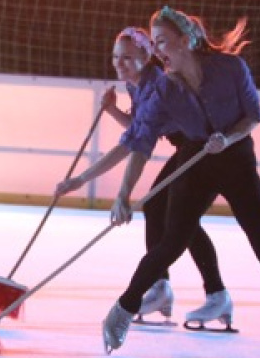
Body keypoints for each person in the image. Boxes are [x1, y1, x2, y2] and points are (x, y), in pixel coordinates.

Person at [77, 6, 260, 358]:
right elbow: (140, 141)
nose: (158, 51)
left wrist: (228, 138)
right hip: (196, 160)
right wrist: (122, 195)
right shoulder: (164, 89)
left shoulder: (230, 68)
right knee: (170, 243)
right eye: (155, 43)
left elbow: (253, 115)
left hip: (236, 161)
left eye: (163, 42)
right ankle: (122, 311)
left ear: (185, 40)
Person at [57, 27, 233, 331]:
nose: (119, 64)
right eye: (115, 57)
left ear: (147, 55)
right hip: (188, 149)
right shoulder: (137, 85)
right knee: (158, 209)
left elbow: (137, 144)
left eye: (127, 57)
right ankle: (162, 287)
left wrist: (116, 190)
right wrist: (112, 110)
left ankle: (215, 293)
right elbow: (138, 129)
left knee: (180, 219)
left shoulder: (158, 85)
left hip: (206, 150)